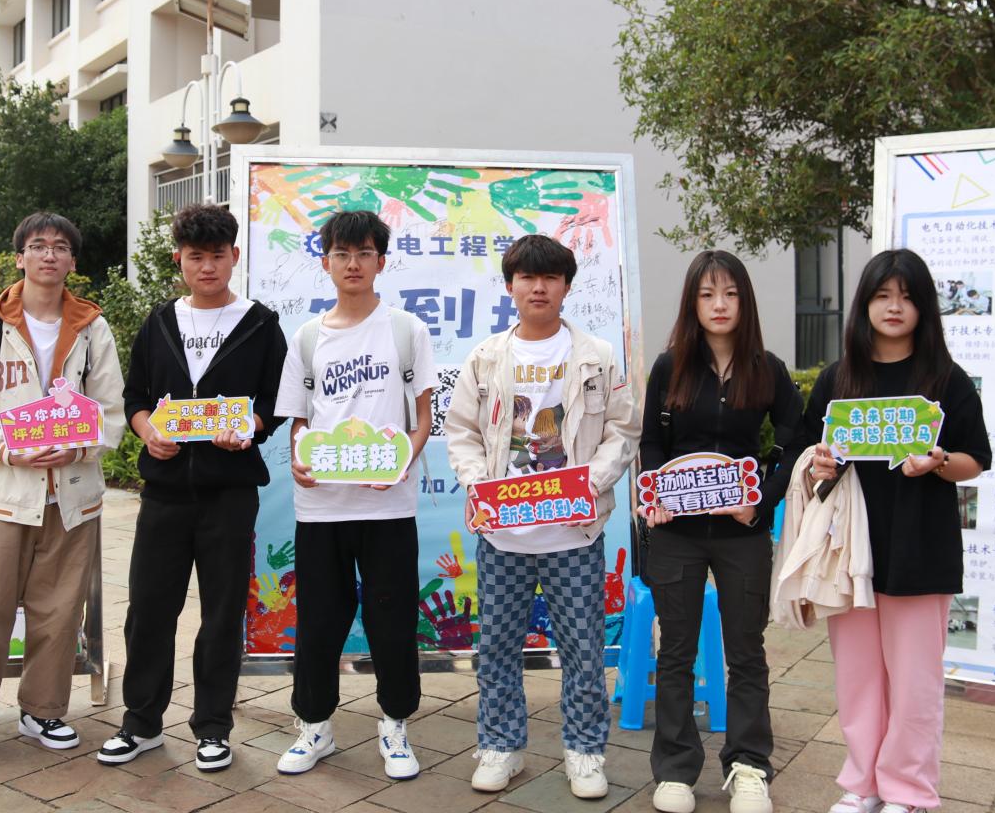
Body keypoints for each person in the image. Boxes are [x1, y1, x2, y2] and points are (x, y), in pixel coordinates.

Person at [0, 212, 125, 771]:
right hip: (4, 493)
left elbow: (110, 408)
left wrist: (79, 449)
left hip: (71, 493)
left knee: (58, 612)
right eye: (38, 246)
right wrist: (7, 450)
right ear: (20, 257)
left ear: (73, 261)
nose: (49, 255)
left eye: (60, 247)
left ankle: (43, 711)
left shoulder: (92, 326)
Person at [445, 234, 640, 800]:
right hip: (503, 534)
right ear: (510, 286)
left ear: (566, 286)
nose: (538, 287)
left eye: (550, 277)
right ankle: (500, 746)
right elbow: (461, 432)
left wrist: (590, 483)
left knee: (582, 648)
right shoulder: (485, 358)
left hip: (574, 530)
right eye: (527, 278)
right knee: (497, 647)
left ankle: (585, 752)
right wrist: (479, 485)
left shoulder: (597, 356)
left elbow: (623, 430)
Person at [96, 204, 288, 771]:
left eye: (218, 256)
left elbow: (276, 401)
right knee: (149, 609)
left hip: (230, 493)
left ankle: (213, 727)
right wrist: (147, 432)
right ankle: (141, 723)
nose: (208, 267)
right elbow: (135, 397)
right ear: (179, 259)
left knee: (223, 613)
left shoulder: (260, 323)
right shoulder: (160, 322)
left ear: (235, 256)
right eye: (196, 256)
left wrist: (249, 429)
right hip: (165, 494)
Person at [806, 249, 990, 813]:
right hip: (851, 551)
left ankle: (908, 792)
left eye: (907, 297)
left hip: (922, 548)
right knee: (858, 676)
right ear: (864, 304)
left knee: (914, 682)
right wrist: (818, 464)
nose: (894, 307)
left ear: (924, 307)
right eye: (883, 295)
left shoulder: (946, 380)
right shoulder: (839, 378)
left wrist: (938, 461)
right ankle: (863, 784)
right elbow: (812, 457)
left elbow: (975, 460)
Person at [272, 209, 434, 780]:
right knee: (319, 621)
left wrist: (402, 460)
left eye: (364, 253)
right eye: (342, 254)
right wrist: (300, 459)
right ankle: (315, 725)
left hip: (388, 506)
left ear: (381, 261)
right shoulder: (307, 337)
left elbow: (423, 418)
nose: (353, 264)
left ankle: (395, 725)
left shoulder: (406, 330)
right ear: (326, 263)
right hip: (321, 509)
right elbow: (299, 420)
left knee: (393, 620)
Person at [640, 250, 804, 813]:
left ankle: (750, 766)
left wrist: (762, 499)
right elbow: (651, 444)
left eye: (730, 294)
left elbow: (796, 439)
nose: (719, 305)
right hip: (677, 534)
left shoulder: (768, 369)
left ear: (744, 301)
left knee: (747, 652)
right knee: (676, 651)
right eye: (707, 294)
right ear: (692, 302)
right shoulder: (670, 367)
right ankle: (675, 771)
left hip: (743, 535)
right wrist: (655, 498)